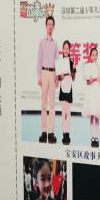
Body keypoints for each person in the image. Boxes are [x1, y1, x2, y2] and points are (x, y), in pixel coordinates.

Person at [35, 16, 58, 144]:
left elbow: (57, 62)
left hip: (52, 74)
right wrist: (39, 76)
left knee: (52, 105)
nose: (50, 26)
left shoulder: (55, 44)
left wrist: (57, 78)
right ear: (46, 26)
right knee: (43, 104)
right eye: (48, 24)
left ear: (53, 27)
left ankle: (51, 132)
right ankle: (44, 131)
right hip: (44, 73)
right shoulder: (41, 42)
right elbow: (39, 60)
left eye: (51, 24)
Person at [81, 43, 100, 148]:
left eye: (96, 55)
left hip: (97, 91)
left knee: (97, 115)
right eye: (93, 55)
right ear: (90, 55)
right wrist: (90, 80)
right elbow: (87, 81)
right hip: (91, 92)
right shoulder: (86, 66)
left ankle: (97, 137)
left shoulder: (98, 66)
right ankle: (93, 137)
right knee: (92, 115)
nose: (94, 57)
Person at [55, 40, 75, 146]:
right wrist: (60, 77)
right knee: (64, 113)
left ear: (69, 50)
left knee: (69, 112)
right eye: (65, 48)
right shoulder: (60, 62)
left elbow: (74, 78)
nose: (66, 50)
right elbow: (58, 78)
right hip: (63, 88)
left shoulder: (72, 61)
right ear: (62, 50)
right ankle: (64, 133)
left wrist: (74, 70)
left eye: (68, 48)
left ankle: (68, 133)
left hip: (69, 87)